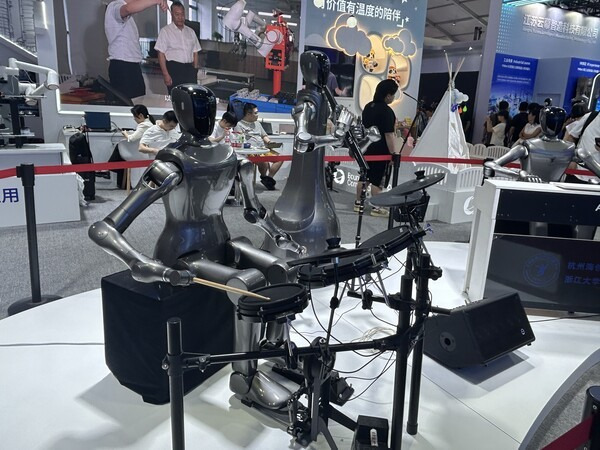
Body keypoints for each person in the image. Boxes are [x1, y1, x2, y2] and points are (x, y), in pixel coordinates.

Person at [89, 84, 303, 412]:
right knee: (248, 282)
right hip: (182, 255)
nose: (203, 116)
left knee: (281, 268)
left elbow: (253, 211)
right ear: (181, 112)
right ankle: (244, 377)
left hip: (219, 241)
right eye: (196, 109)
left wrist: (278, 235)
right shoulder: (170, 165)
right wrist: (138, 262)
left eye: (207, 109)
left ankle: (274, 347)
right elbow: (105, 226)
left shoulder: (233, 157)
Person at [104, 0, 168, 99]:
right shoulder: (115, 5)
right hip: (123, 66)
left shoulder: (128, 17)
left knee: (139, 101)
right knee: (129, 104)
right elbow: (128, 8)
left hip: (132, 66)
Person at [355, 79, 400, 217]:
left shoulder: (368, 107)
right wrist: (393, 153)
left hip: (367, 148)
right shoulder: (387, 111)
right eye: (393, 95)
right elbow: (389, 135)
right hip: (381, 151)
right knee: (377, 180)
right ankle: (377, 207)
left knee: (364, 177)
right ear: (388, 95)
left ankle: (358, 203)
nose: (393, 98)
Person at [155, 1, 201, 94]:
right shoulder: (165, 31)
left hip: (189, 70)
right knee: (177, 98)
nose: (180, 17)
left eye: (182, 14)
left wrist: (194, 70)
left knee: (191, 97)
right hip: (174, 70)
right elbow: (161, 53)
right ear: (172, 14)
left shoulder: (191, 31)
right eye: (177, 14)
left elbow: (195, 51)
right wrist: (165, 74)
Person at [235, 102, 283, 190]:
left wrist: (269, 142)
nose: (257, 115)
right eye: (256, 113)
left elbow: (264, 135)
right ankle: (264, 176)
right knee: (263, 161)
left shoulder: (257, 123)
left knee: (280, 159)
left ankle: (268, 178)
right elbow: (240, 140)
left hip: (263, 149)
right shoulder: (239, 125)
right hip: (250, 151)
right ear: (248, 114)